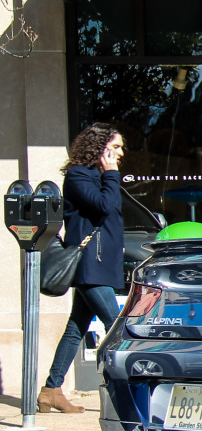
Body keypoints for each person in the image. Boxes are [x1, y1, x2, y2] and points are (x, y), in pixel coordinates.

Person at [40, 123, 126, 413]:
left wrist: (109, 175)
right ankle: (124, 390)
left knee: (76, 327)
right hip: (91, 266)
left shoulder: (99, 177)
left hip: (99, 264)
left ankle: (51, 389)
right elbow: (104, 206)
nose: (120, 153)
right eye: (115, 147)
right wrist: (112, 174)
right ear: (100, 147)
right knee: (118, 327)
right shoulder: (79, 175)